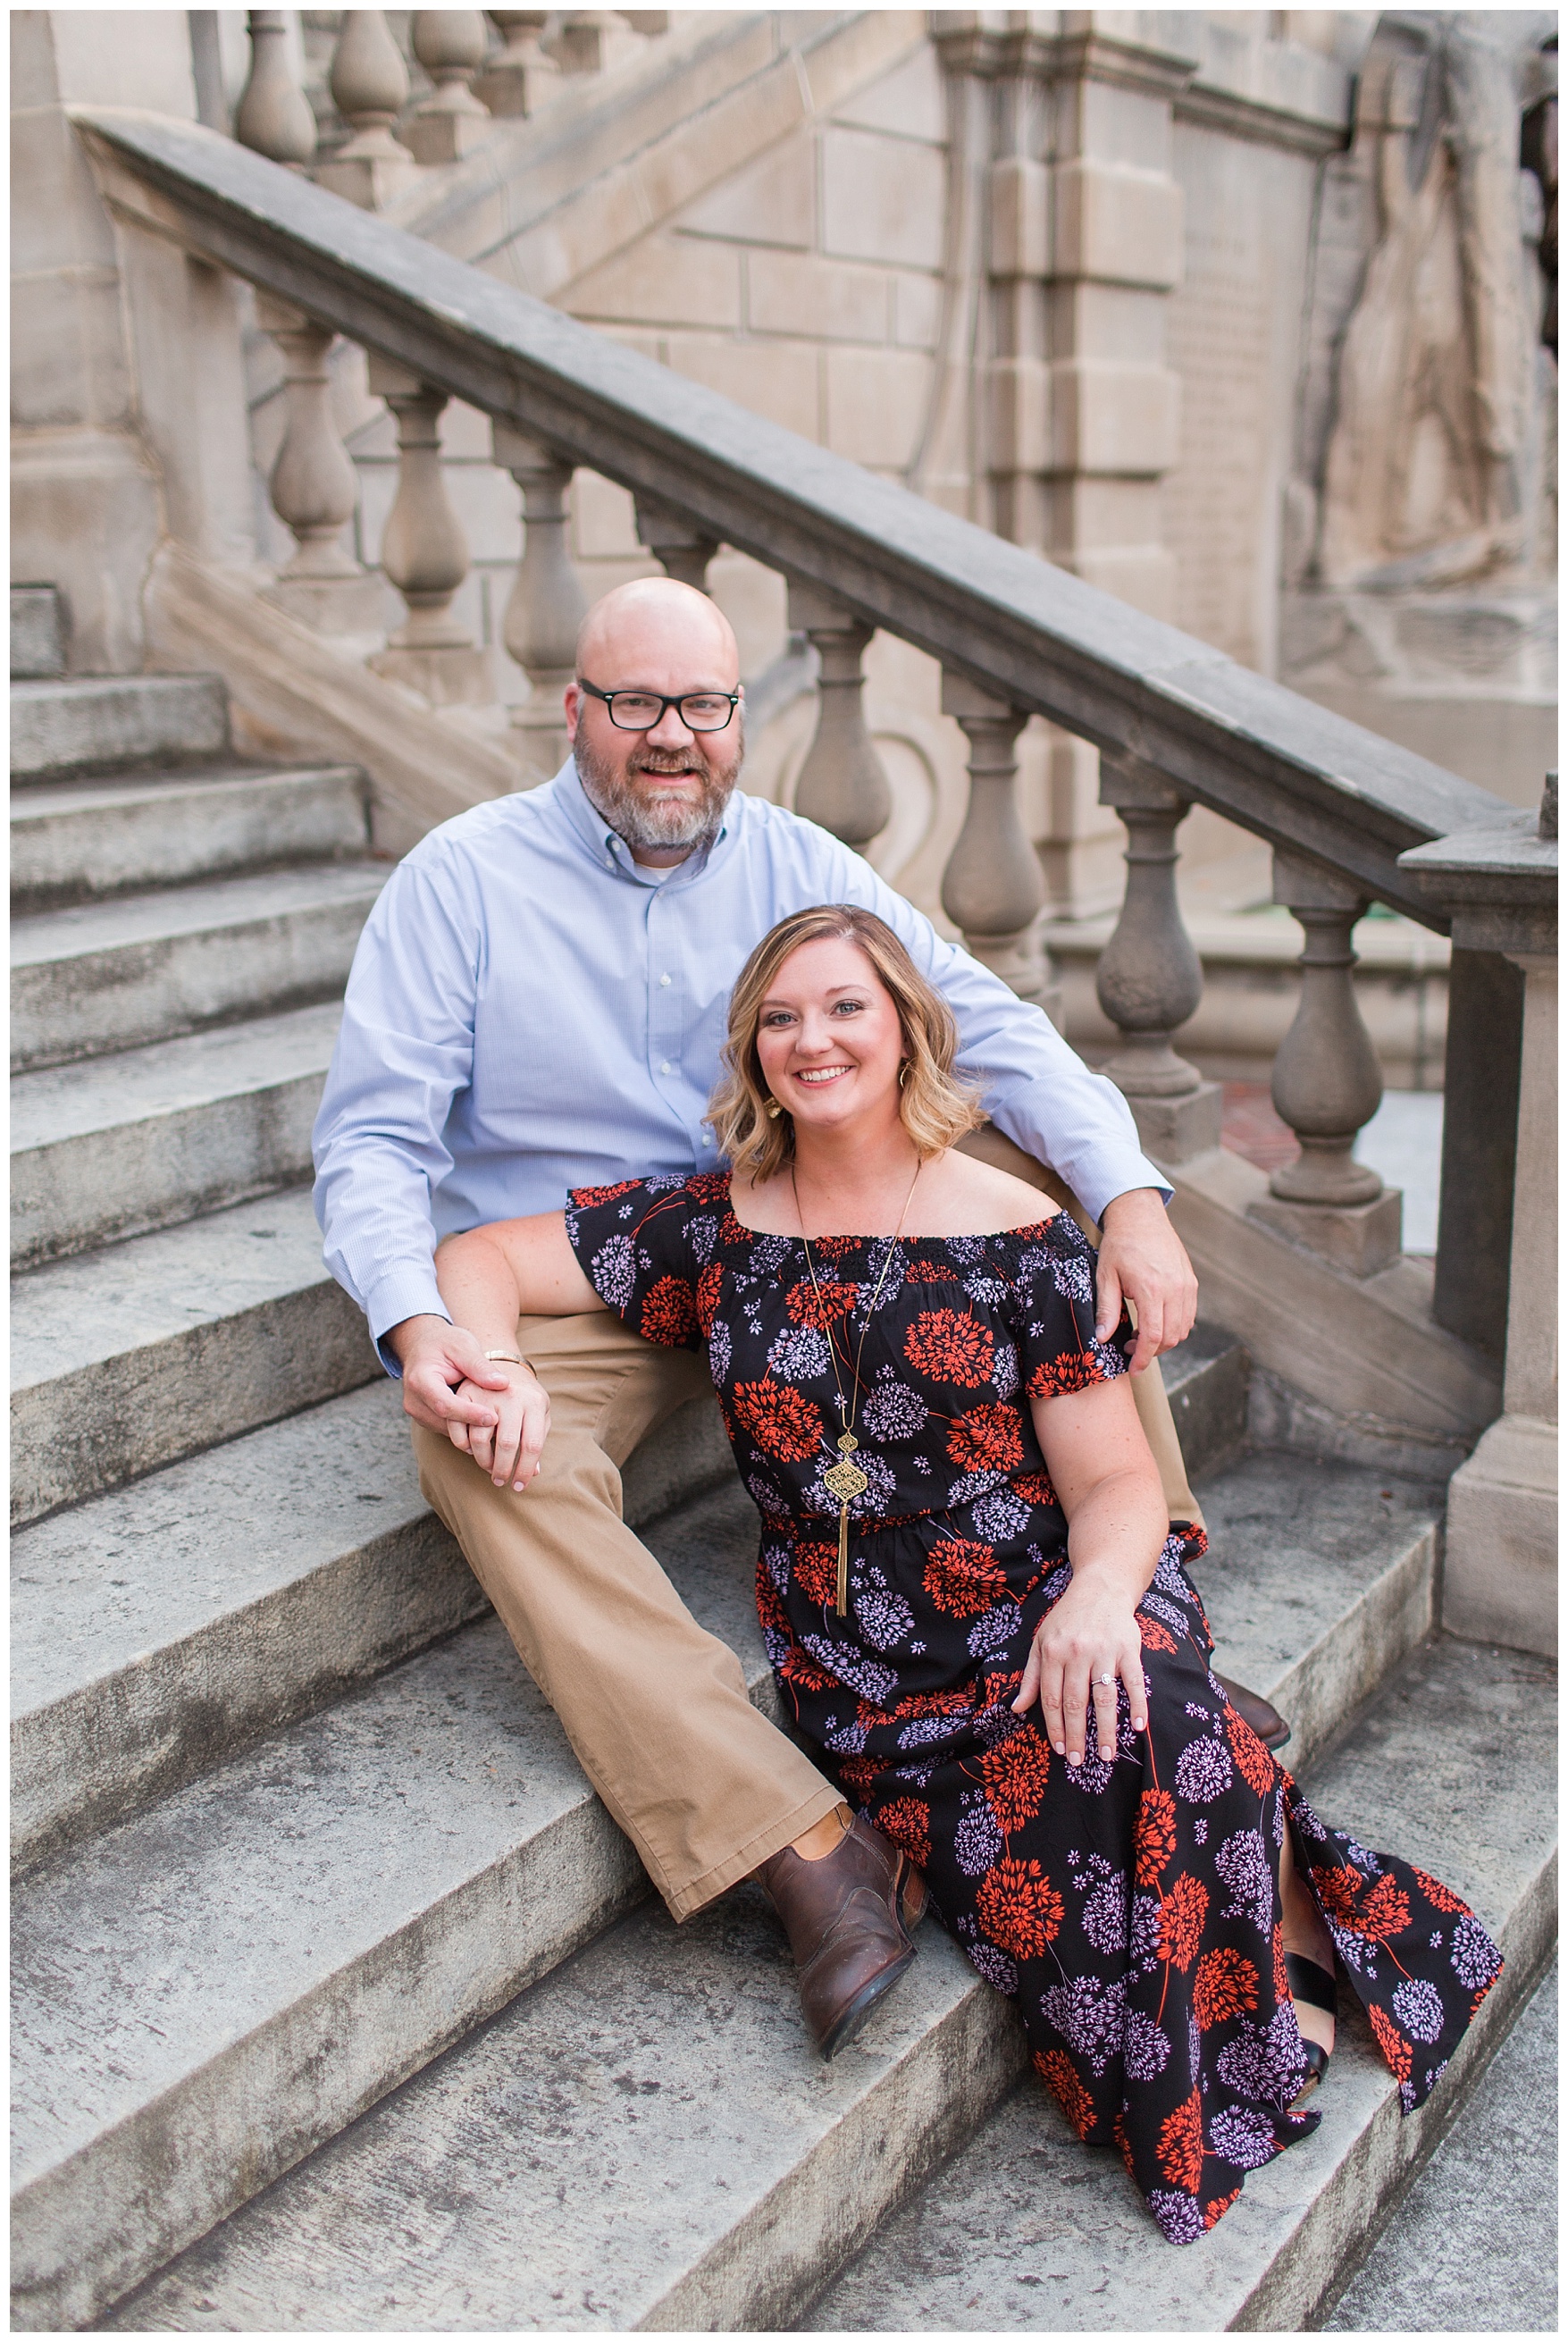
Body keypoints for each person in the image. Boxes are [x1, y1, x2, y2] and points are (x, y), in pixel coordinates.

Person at [313, 575, 1280, 2058]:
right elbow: (375, 1141)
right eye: (635, 703)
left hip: (797, 1233)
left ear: (739, 722)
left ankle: (1143, 1612)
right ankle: (798, 1843)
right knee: (475, 1452)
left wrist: (1133, 1194)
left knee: (1032, 1189)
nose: (670, 739)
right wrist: (430, 1327)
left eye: (702, 706)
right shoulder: (461, 879)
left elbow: (986, 1022)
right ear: (575, 710)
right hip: (586, 1272)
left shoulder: (796, 859)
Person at [430, 903, 1502, 2243]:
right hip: (874, 1681)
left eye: (843, 1009)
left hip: (1051, 1596)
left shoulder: (1021, 1233)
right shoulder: (711, 1228)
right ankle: (1259, 1949)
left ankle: (1280, 1931)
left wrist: (1100, 1596)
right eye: (781, 1017)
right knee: (1068, 1831)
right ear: (754, 1050)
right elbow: (480, 1252)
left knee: (1148, 1722)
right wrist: (492, 1358)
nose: (811, 1039)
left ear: (904, 1031)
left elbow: (1116, 1488)